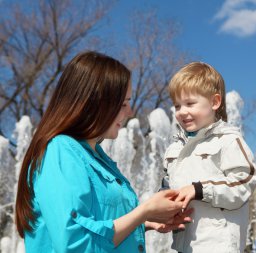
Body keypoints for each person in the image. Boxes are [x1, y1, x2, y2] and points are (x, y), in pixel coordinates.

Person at [15, 51, 191, 253]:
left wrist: (143, 223)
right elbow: (75, 244)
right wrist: (144, 212)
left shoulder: (96, 156)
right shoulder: (60, 151)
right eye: (123, 103)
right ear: (94, 102)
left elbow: (94, 222)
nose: (130, 112)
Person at [163, 62, 256, 252]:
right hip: (184, 245)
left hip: (218, 245)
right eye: (177, 106)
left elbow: (245, 182)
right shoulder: (174, 150)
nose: (182, 111)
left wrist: (200, 190)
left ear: (215, 102)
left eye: (190, 103)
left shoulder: (228, 140)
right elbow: (167, 185)